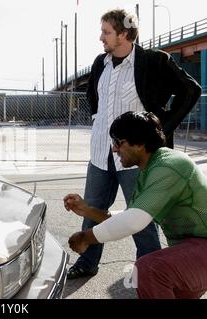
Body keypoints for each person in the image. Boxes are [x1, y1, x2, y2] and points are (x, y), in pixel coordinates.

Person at [68, 9, 202, 279]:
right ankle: (87, 262)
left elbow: (191, 90)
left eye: (106, 32)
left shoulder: (154, 61)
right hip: (100, 152)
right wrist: (97, 117)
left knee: (140, 217)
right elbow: (92, 92)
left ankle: (150, 268)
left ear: (125, 34)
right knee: (92, 208)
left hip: (136, 155)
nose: (100, 37)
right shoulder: (100, 63)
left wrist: (163, 127)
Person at [64, 111, 207, 299]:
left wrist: (85, 237)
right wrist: (88, 210)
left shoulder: (169, 165)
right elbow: (131, 217)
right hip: (190, 249)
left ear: (139, 143)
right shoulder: (149, 171)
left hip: (200, 247)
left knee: (150, 270)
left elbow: (133, 222)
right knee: (159, 282)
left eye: (117, 142)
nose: (114, 149)